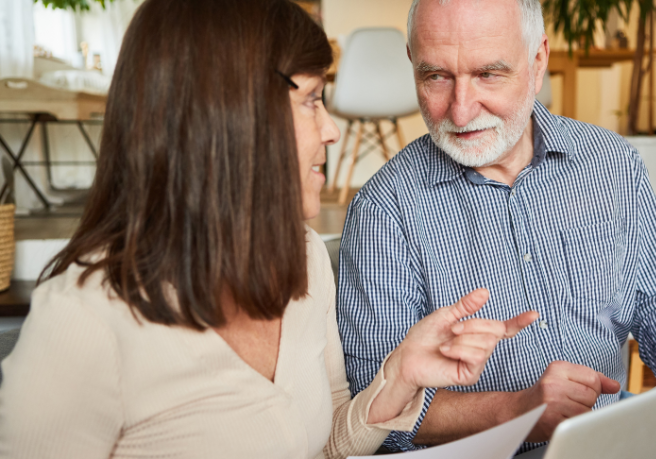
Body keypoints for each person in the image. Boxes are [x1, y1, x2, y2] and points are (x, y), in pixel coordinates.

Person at [0, 1, 539, 458]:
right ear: (230, 116)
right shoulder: (84, 321)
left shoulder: (300, 256)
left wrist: (399, 375)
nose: (331, 130)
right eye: (309, 100)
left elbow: (323, 439)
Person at [337, 0, 656, 456]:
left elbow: (655, 297)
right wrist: (516, 410)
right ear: (412, 63)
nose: (461, 111)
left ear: (538, 58)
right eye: (436, 76)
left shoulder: (611, 164)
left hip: (614, 429)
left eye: (489, 74)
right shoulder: (385, 210)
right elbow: (376, 413)